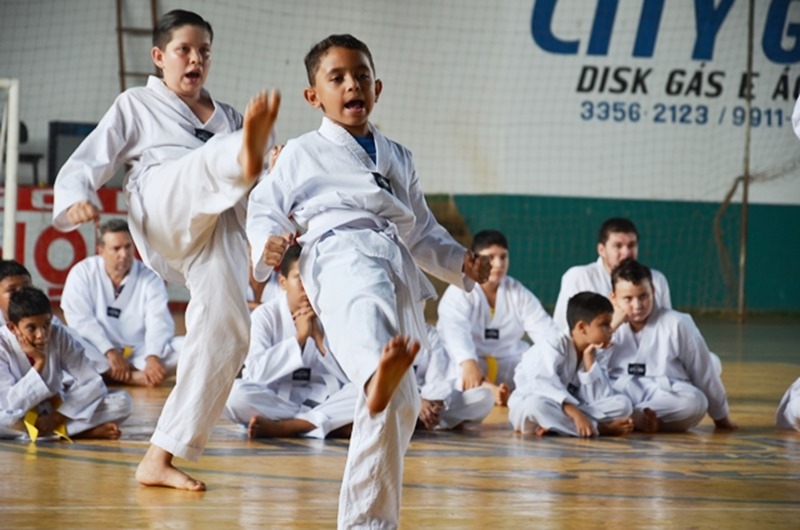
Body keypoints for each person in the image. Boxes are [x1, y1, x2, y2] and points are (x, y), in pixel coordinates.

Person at [246, 34, 490, 529]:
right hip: (338, 247)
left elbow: (421, 228)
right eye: (336, 78)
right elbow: (263, 206)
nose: (351, 84)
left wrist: (459, 261)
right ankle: (371, 368)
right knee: (364, 308)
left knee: (400, 404)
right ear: (313, 96)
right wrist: (267, 244)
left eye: (360, 75)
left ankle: (367, 524)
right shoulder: (299, 152)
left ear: (376, 86)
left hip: (396, 259)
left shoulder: (398, 155)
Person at [51, 9, 280, 490]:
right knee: (204, 166)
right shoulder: (137, 104)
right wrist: (76, 197)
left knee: (229, 329)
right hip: (161, 203)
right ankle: (248, 157)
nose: (196, 58)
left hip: (213, 226)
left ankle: (160, 456)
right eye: (184, 50)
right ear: (159, 57)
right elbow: (92, 157)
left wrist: (265, 246)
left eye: (204, 52)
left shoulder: (232, 116)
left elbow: (256, 207)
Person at [225, 245, 357, 439]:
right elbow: (255, 373)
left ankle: (289, 426)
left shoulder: (332, 314)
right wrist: (299, 339)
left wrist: (319, 341)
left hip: (326, 397)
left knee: (368, 389)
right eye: (299, 278)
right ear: (283, 282)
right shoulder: (265, 315)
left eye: (313, 278)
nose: (307, 287)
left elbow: (351, 377)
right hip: (277, 400)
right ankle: (317, 424)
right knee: (234, 396)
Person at [606, 259, 737, 433]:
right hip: (620, 391)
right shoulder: (606, 324)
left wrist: (721, 417)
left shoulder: (677, 323)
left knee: (696, 402)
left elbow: (703, 372)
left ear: (653, 291)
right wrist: (610, 329)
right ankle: (640, 419)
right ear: (613, 297)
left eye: (643, 296)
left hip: (663, 392)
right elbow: (589, 367)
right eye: (628, 299)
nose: (637, 306)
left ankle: (634, 417)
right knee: (596, 399)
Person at [436, 229, 559, 406]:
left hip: (506, 362)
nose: (498, 263)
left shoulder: (518, 292)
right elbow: (454, 330)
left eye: (503, 257)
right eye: (491, 257)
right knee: (452, 367)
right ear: (475, 259)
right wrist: (468, 362)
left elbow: (545, 331)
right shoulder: (459, 290)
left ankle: (503, 392)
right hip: (470, 361)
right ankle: (490, 390)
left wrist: (559, 359)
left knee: (537, 360)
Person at [60, 219, 182, 387]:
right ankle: (134, 378)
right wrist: (109, 352)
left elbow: (158, 320)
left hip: (140, 353)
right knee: (66, 337)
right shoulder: (82, 273)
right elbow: (80, 320)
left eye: (128, 247)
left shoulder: (150, 276)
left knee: (189, 346)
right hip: (99, 351)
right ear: (101, 251)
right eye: (116, 249)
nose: (124, 254)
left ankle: (112, 376)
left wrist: (153, 356)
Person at [0, 287, 131, 440]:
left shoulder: (58, 334)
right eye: (31, 328)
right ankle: (77, 432)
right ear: (12, 327)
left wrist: (57, 417)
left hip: (53, 410)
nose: (41, 335)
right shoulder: (2, 344)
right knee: (3, 421)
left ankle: (52, 431)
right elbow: (9, 403)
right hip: (16, 415)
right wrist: (39, 363)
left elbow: (92, 382)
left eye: (46, 325)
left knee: (122, 402)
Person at [508, 292, 633, 437]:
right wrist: (576, 413)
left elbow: (599, 398)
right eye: (605, 325)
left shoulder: (597, 350)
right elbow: (542, 385)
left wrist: (589, 361)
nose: (611, 330)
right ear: (582, 327)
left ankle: (556, 426)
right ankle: (600, 428)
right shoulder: (553, 344)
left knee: (623, 405)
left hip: (570, 408)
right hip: (532, 406)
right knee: (536, 406)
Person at [553, 217, 672, 331]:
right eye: (618, 246)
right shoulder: (578, 277)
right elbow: (561, 328)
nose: (626, 253)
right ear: (601, 250)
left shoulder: (657, 279)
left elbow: (666, 326)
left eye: (631, 245)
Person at [414, 323, 494, 431]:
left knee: (484, 396)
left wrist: (434, 401)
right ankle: (424, 420)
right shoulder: (386, 327)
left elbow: (437, 378)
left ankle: (426, 419)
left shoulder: (430, 333)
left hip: (427, 403)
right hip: (399, 404)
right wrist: (416, 401)